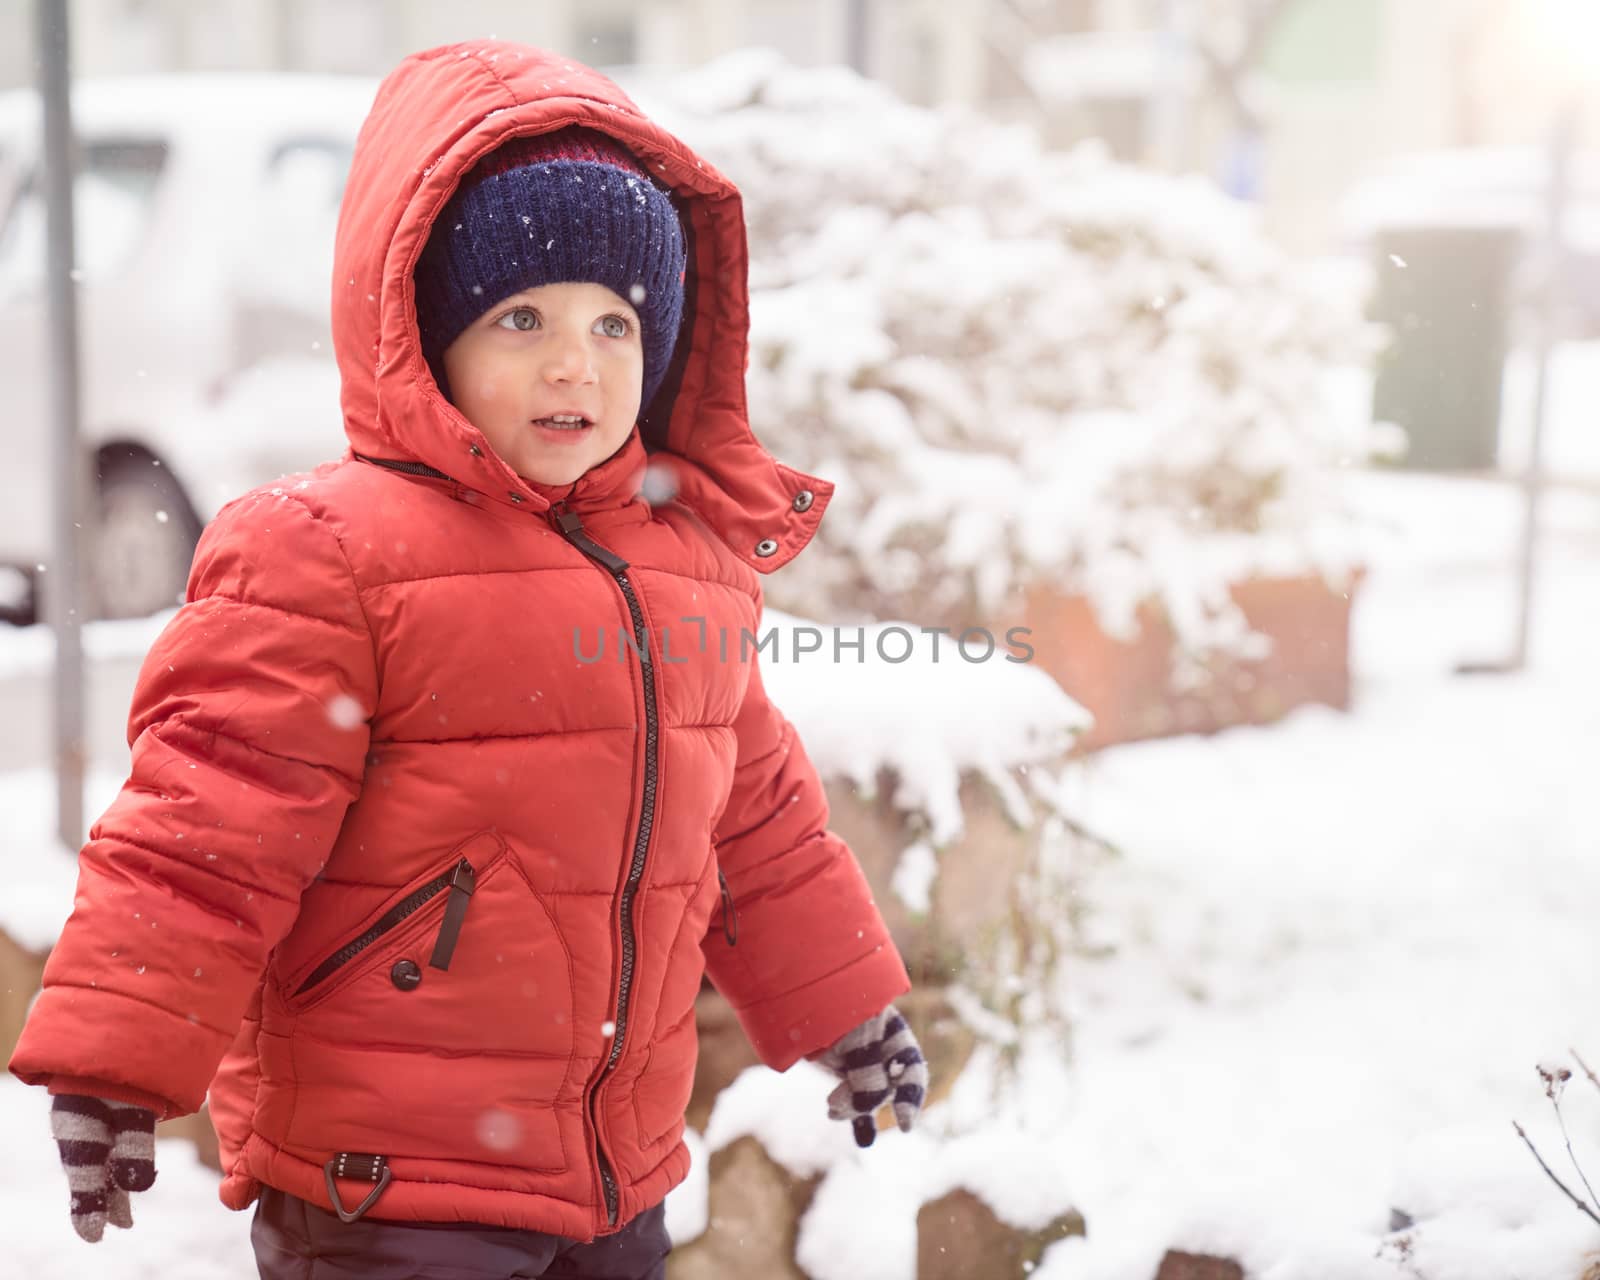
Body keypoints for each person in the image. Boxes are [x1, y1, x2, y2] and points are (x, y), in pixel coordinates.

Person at [9, 39, 928, 1280]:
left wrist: (846, 1005)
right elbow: (203, 828)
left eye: (616, 322)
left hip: (616, 1171)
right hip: (388, 1182)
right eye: (521, 318)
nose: (575, 363)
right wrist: (117, 1062)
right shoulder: (326, 552)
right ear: (423, 336)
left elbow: (753, 815)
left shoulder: (685, 562)